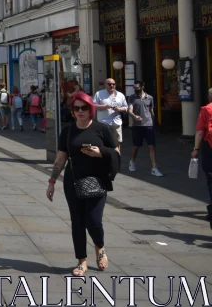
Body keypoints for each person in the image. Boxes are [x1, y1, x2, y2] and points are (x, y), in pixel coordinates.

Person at [46, 92, 120, 277]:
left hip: (97, 179)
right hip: (73, 180)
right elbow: (61, 157)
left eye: (84, 108)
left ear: (91, 109)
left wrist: (100, 152)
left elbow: (116, 151)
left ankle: (100, 248)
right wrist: (52, 181)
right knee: (77, 222)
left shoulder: (102, 129)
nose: (80, 111)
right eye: (76, 108)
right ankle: (81, 261)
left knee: (93, 221)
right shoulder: (68, 131)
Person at [127, 80, 162, 176]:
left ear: (142, 87)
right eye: (134, 87)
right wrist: (134, 116)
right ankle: (132, 161)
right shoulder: (132, 98)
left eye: (137, 87)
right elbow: (129, 110)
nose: (135, 89)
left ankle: (154, 168)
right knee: (136, 146)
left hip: (149, 124)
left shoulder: (150, 98)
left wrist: (154, 123)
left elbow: (151, 110)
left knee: (152, 146)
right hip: (137, 125)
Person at [192, 88, 212, 226]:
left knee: (211, 179)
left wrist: (196, 149)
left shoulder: (206, 110)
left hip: (210, 147)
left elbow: (200, 132)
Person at [93, 78, 128, 144]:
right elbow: (93, 106)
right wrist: (105, 106)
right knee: (104, 143)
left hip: (116, 123)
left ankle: (117, 154)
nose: (112, 85)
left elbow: (126, 107)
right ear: (105, 85)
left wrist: (120, 109)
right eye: (109, 84)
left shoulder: (120, 95)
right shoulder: (99, 94)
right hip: (104, 123)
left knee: (117, 143)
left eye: (113, 84)